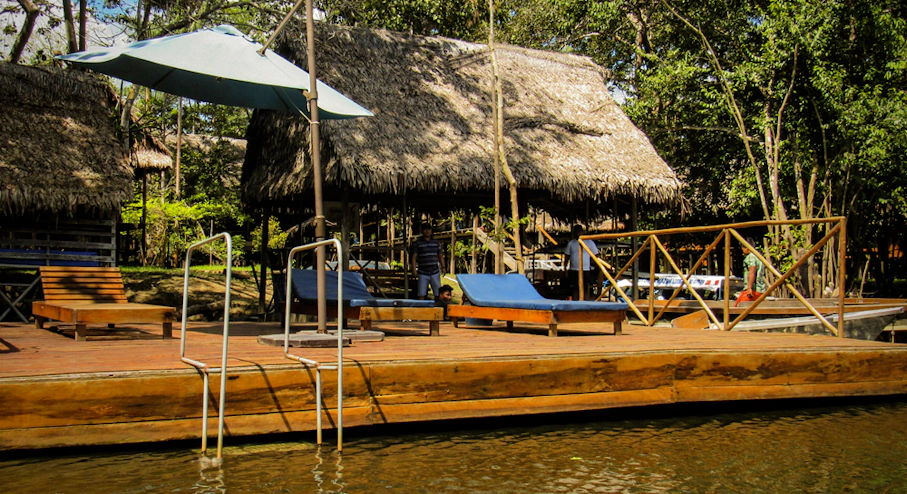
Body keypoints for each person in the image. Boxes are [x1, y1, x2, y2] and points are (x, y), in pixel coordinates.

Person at [411, 223, 447, 300]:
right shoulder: (417, 243)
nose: (427, 231)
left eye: (429, 229)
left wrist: (443, 267)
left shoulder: (436, 242)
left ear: (431, 230)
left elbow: (440, 255)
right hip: (422, 272)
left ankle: (438, 306)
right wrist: (414, 269)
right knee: (421, 294)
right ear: (422, 230)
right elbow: (414, 257)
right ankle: (422, 307)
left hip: (435, 272)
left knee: (438, 294)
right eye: (425, 229)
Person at [564, 224, 598, 300]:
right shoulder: (571, 243)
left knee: (585, 289)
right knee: (575, 289)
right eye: (576, 232)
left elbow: (596, 255)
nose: (578, 233)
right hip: (574, 270)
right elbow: (566, 257)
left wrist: (592, 264)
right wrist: (565, 269)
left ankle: (585, 304)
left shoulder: (589, 242)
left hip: (585, 269)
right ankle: (575, 304)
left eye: (579, 231)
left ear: (582, 232)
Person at [736, 237, 766, 306]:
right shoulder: (758, 256)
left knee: (738, 307)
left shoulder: (750, 257)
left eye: (743, 248)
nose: (742, 250)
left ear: (747, 248)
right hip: (760, 290)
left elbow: (752, 271)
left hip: (753, 290)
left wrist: (749, 288)